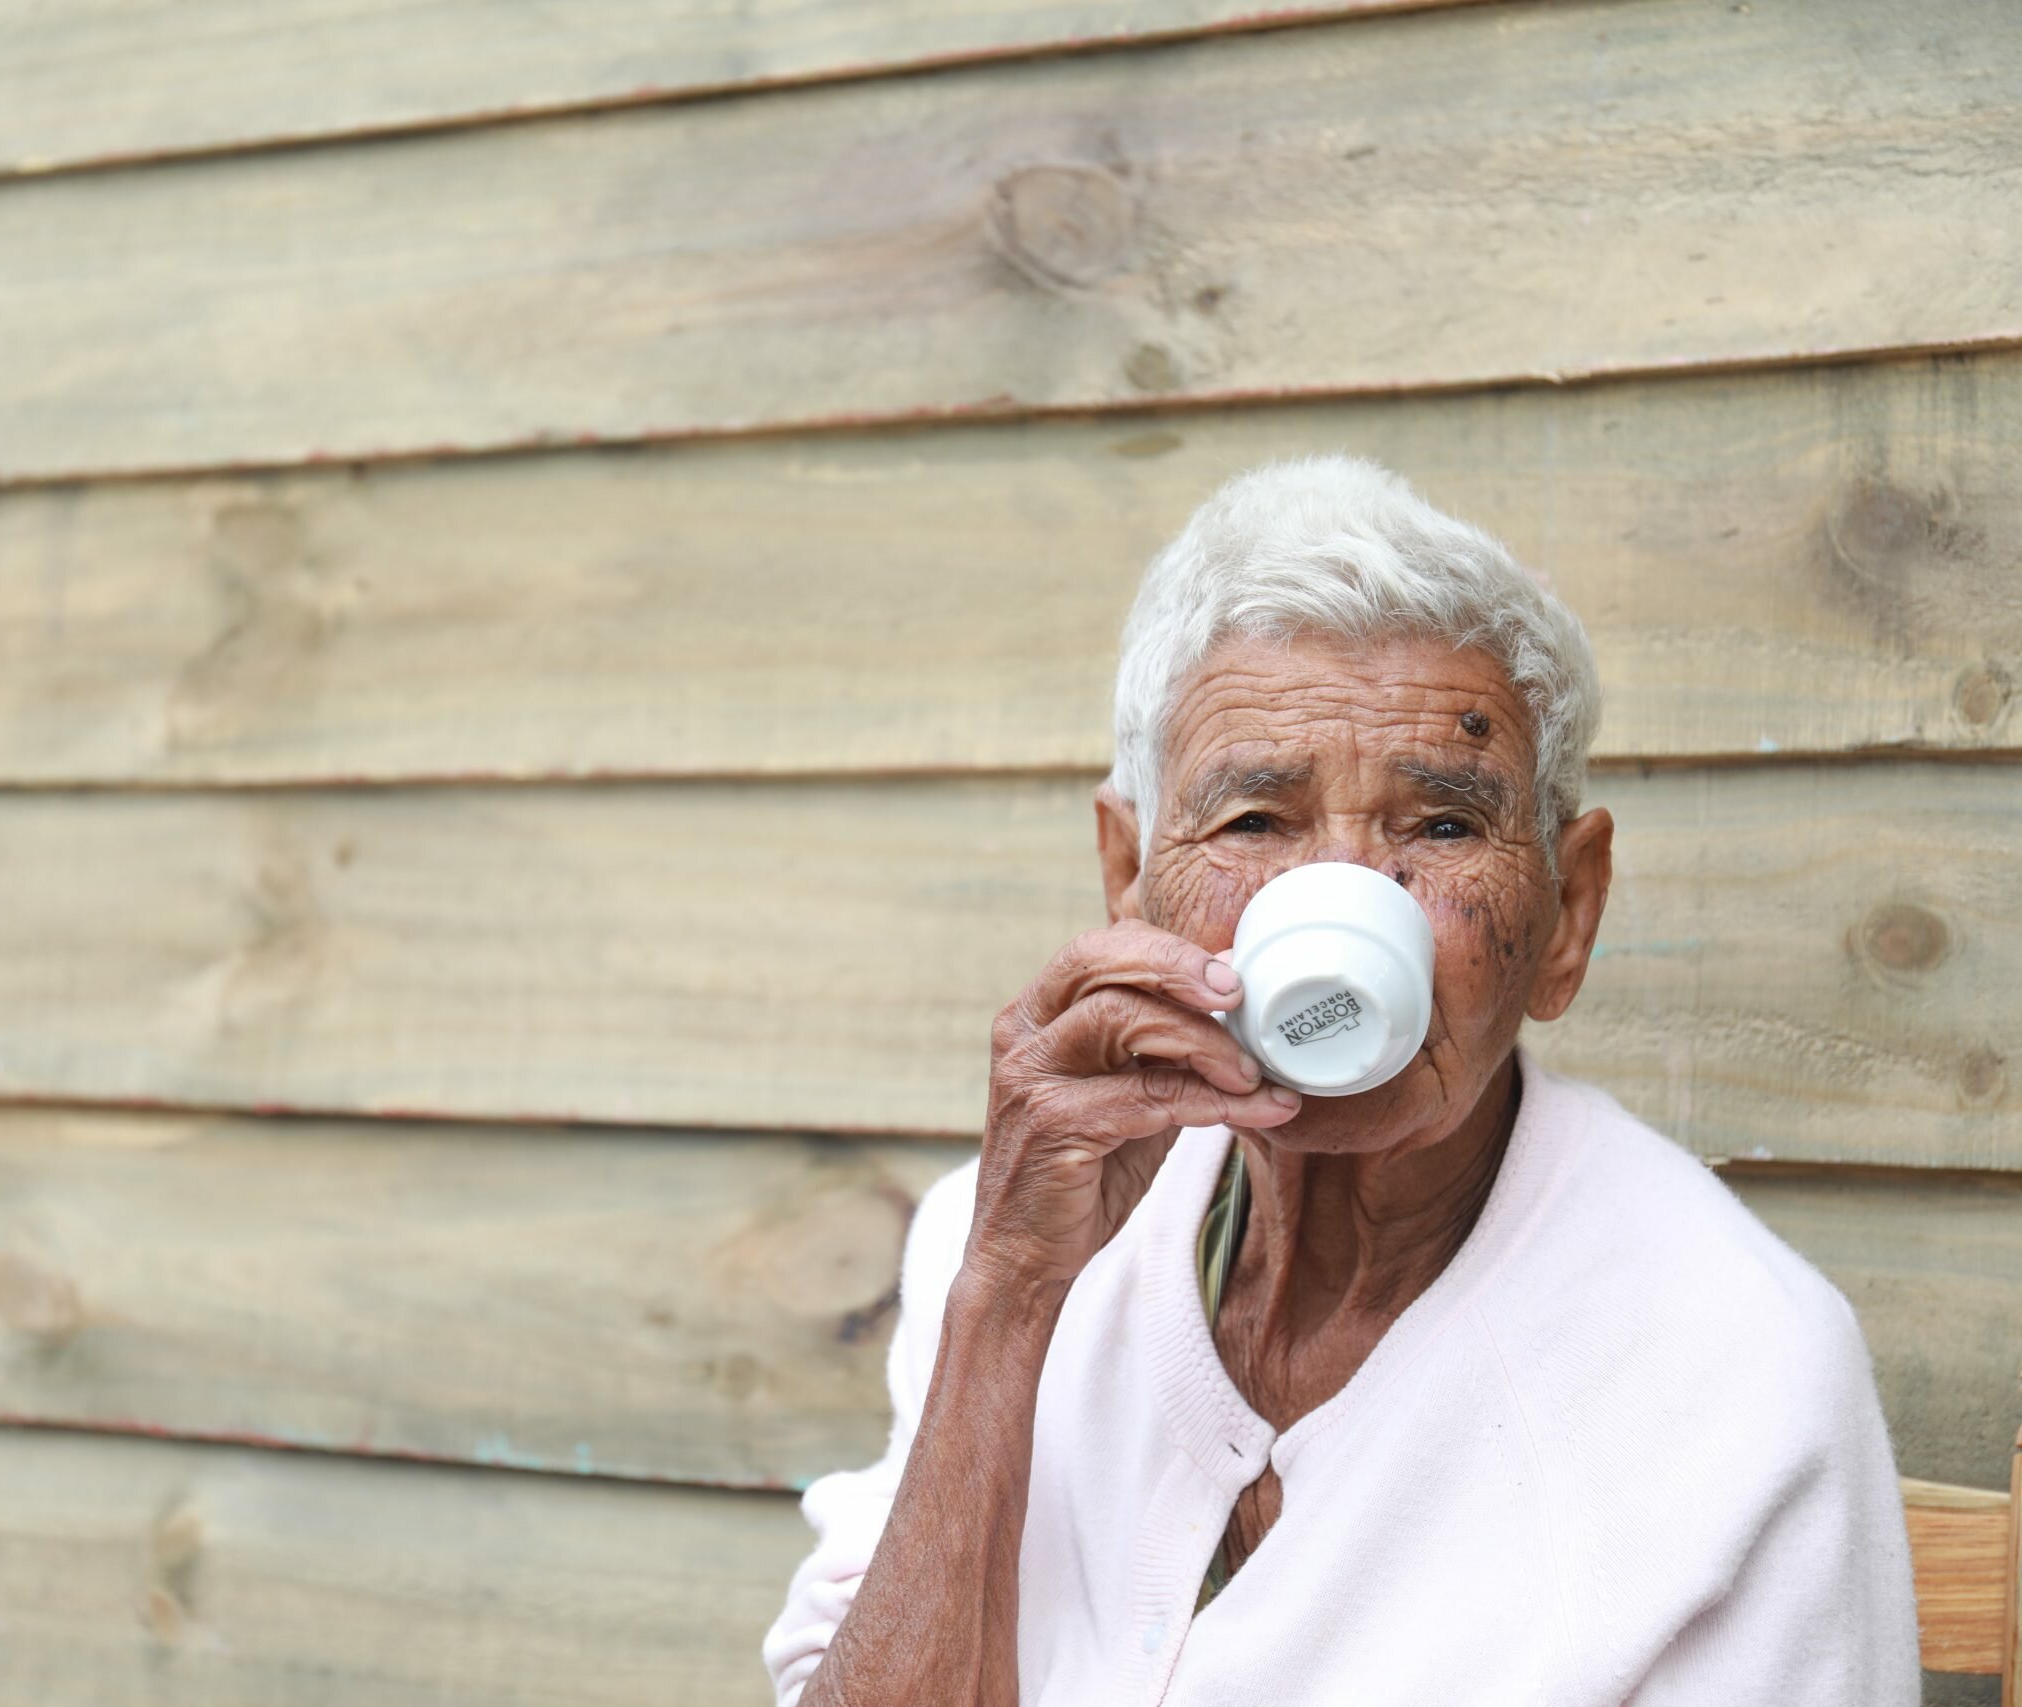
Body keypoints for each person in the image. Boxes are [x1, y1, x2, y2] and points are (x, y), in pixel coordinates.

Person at [760, 455, 1920, 1706]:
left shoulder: (1731, 1372)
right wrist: (1003, 1307)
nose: (1351, 906)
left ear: (1566, 915)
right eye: (1255, 822)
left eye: (1441, 826)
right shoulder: (992, 1248)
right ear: (1126, 874)